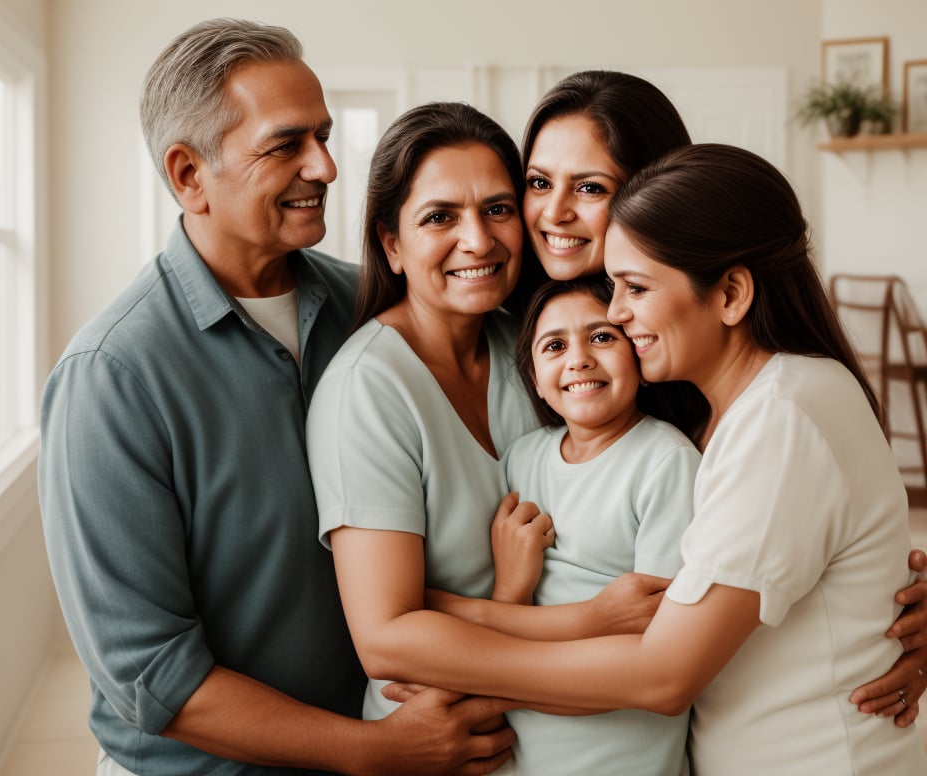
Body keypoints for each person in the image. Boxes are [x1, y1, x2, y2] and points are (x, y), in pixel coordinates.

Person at [38, 19, 526, 776]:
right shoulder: (112, 376)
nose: (327, 167)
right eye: (286, 144)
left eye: (324, 136)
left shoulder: (365, 307)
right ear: (187, 174)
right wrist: (376, 751)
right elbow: (150, 673)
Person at [393, 143, 927, 773]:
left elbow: (661, 675)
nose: (617, 313)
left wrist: (460, 677)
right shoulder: (732, 411)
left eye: (635, 288)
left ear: (730, 293)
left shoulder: (782, 415)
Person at [509, 69, 927, 717]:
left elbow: (667, 667)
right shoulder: (515, 328)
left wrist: (886, 594)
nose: (554, 212)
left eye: (590, 187)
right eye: (537, 182)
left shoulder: (746, 389)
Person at [305, 102, 671, 732]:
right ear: (391, 244)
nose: (478, 240)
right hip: (450, 739)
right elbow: (388, 640)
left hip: (584, 733)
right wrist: (589, 627)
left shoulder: (538, 344)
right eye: (439, 217)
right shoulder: (366, 389)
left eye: (498, 209)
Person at [499, 274, 699, 775]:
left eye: (602, 336)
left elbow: (652, 657)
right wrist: (512, 587)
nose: (579, 358)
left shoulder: (665, 460)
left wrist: (496, 679)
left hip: (621, 753)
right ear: (536, 381)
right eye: (554, 346)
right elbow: (500, 613)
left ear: (639, 357)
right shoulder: (519, 461)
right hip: (524, 751)